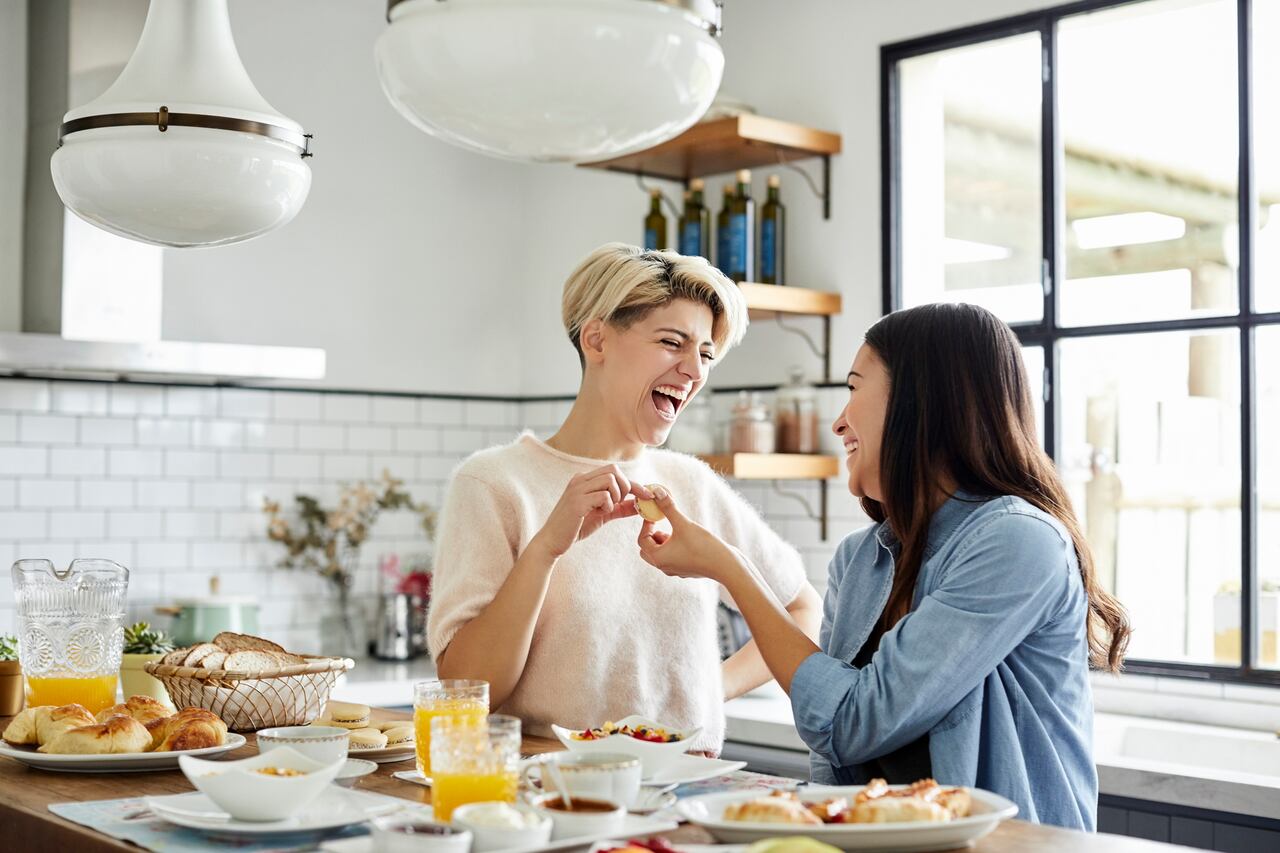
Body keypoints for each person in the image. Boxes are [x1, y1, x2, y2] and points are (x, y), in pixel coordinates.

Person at [634, 302, 1130, 828]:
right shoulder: (861, 558)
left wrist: (730, 568)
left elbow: (852, 721)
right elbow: (834, 752)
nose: (838, 420)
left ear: (923, 403)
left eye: (853, 388)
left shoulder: (1019, 541)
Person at [428, 243, 822, 755]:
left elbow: (799, 606)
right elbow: (466, 689)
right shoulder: (495, 484)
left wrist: (710, 688)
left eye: (704, 353)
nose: (695, 370)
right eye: (671, 342)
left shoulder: (691, 485)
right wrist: (546, 547)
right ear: (596, 340)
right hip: (552, 796)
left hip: (684, 795)